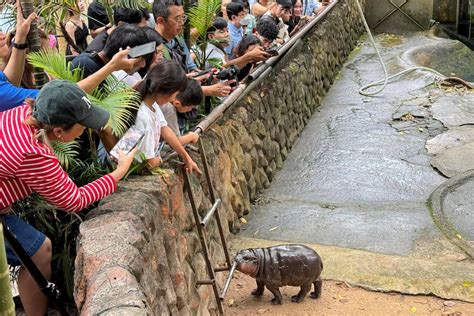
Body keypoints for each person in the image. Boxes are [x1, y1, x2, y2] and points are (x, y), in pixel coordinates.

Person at [0, 79, 138, 316]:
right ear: (58, 131)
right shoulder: (32, 151)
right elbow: (73, 200)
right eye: (82, 124)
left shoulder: (20, 113)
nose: (87, 129)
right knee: (38, 250)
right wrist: (120, 172)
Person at [133, 60, 201, 172]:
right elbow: (149, 163)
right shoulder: (143, 116)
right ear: (167, 90)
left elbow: (165, 130)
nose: (175, 98)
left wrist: (187, 158)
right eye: (176, 93)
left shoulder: (152, 104)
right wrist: (160, 159)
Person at [71, 24, 150, 79]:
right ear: (124, 54)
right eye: (141, 59)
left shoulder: (99, 66)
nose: (143, 65)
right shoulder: (85, 66)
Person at [85, 7, 150, 54]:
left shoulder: (122, 39)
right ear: (121, 24)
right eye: (140, 30)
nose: (143, 35)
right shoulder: (98, 53)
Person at [161, 78, 203, 144]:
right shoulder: (169, 110)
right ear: (177, 103)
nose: (190, 110)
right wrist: (192, 136)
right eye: (190, 107)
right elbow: (176, 141)